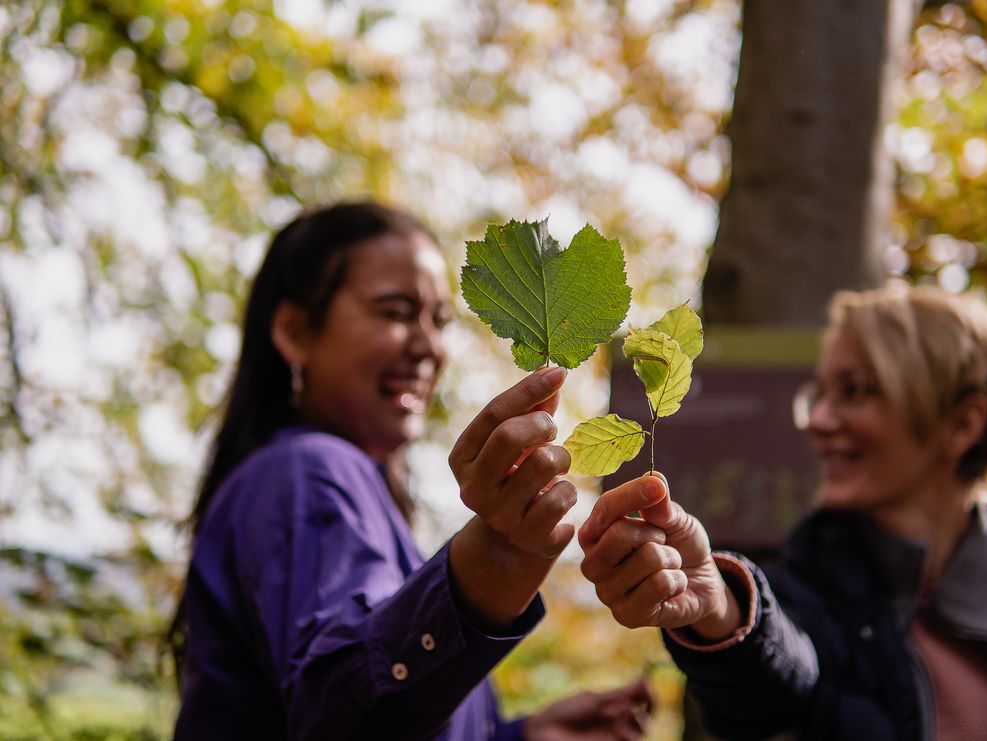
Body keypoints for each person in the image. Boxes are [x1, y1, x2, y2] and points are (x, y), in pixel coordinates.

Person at [171, 201, 652, 740]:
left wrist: (518, 736)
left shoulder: (357, 491)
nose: (428, 347)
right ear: (294, 331)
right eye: (396, 312)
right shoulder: (307, 470)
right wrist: (500, 553)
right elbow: (343, 718)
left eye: (439, 320)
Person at [578, 285, 987, 740]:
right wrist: (721, 610)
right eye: (822, 393)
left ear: (961, 425)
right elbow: (781, 676)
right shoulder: (812, 581)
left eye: (855, 392)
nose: (818, 421)